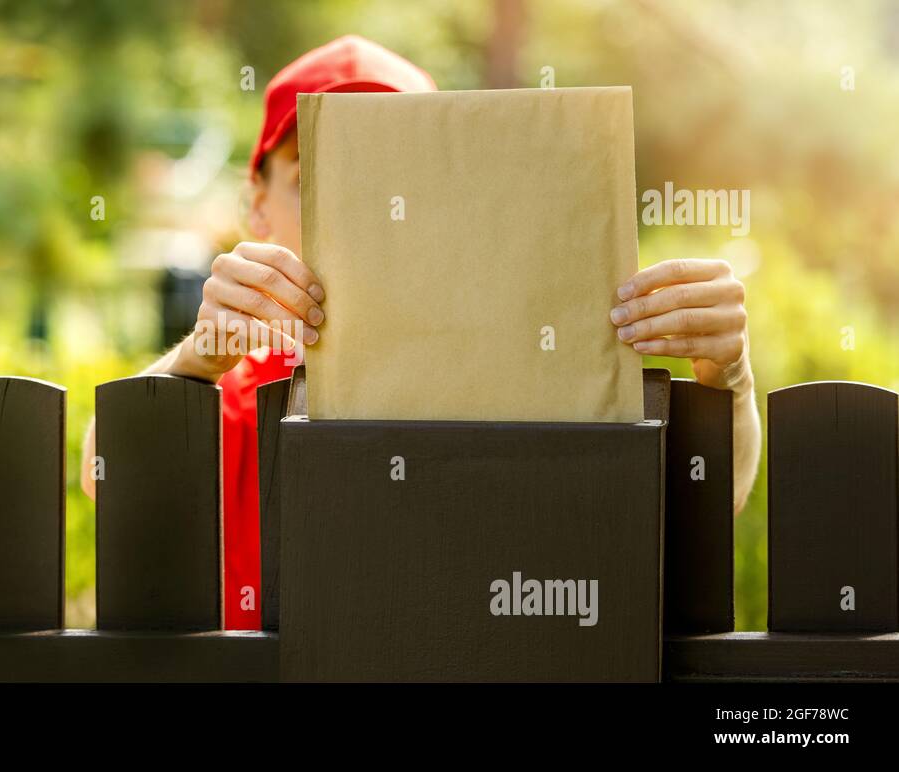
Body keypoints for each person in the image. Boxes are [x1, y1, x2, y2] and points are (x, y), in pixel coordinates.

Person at [81, 34, 761, 631]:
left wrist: (727, 376)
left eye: (386, 175)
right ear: (257, 206)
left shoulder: (525, 363)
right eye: (312, 177)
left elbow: (706, 505)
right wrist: (196, 362)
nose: (358, 209)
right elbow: (102, 475)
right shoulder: (241, 394)